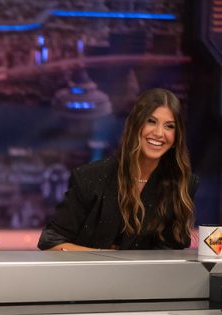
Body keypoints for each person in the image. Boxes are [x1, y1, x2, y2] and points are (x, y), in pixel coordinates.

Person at [38, 88, 198, 251]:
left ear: (177, 136)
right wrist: (105, 257)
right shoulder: (90, 178)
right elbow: (51, 241)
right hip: (91, 275)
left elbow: (172, 253)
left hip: (152, 276)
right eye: (151, 121)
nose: (158, 133)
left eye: (169, 126)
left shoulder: (182, 184)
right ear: (136, 125)